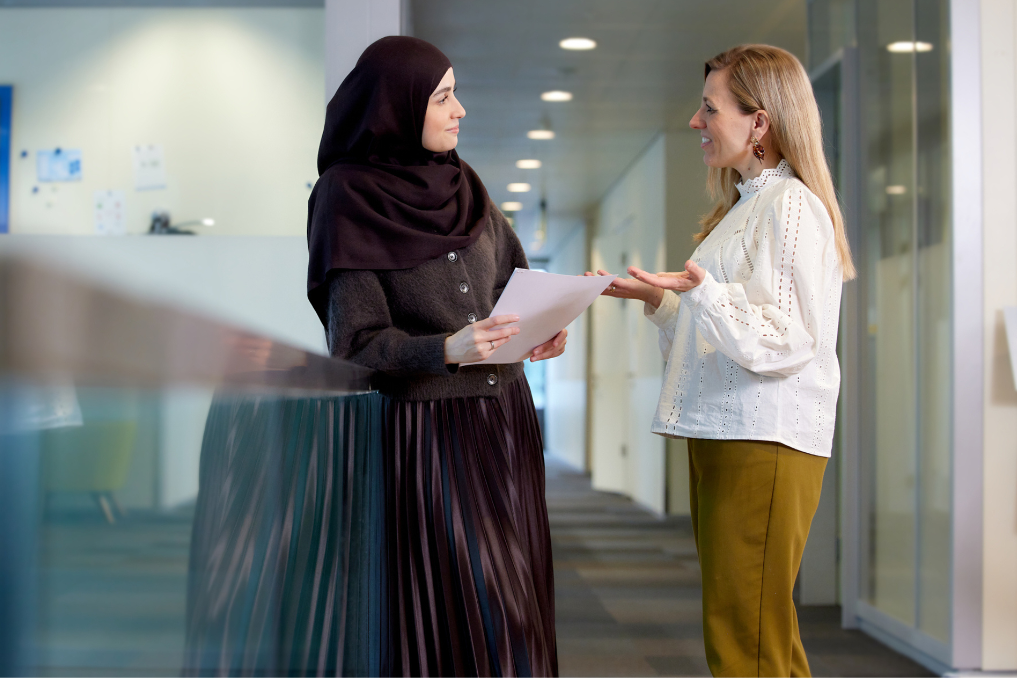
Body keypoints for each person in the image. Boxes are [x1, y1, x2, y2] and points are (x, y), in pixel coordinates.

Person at [590, 44, 856, 677]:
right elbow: (725, 337)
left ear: (759, 122)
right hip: (726, 433)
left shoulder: (789, 204)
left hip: (762, 438)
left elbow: (789, 337)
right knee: (749, 633)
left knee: (748, 641)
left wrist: (701, 290)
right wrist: (663, 299)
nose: (695, 121)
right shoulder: (744, 207)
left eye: (709, 107)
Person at [306, 36, 562, 676]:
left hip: (504, 420)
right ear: (399, 105)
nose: (460, 111)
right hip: (427, 434)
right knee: (448, 606)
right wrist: (444, 349)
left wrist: (543, 329)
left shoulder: (464, 182)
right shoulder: (344, 198)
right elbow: (355, 346)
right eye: (444, 97)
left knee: (514, 602)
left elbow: (513, 287)